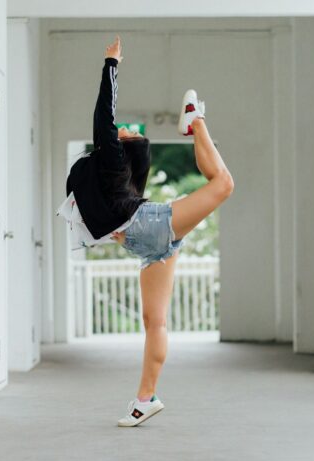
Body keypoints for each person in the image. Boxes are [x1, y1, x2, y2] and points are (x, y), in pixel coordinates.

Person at [56, 36, 234, 427]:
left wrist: (111, 65)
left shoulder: (113, 169)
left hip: (144, 239)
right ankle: (196, 122)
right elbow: (104, 119)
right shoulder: (113, 170)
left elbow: (105, 119)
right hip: (149, 228)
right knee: (222, 184)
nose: (120, 130)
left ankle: (145, 399)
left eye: (126, 134)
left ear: (127, 148)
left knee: (156, 322)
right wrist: (110, 64)